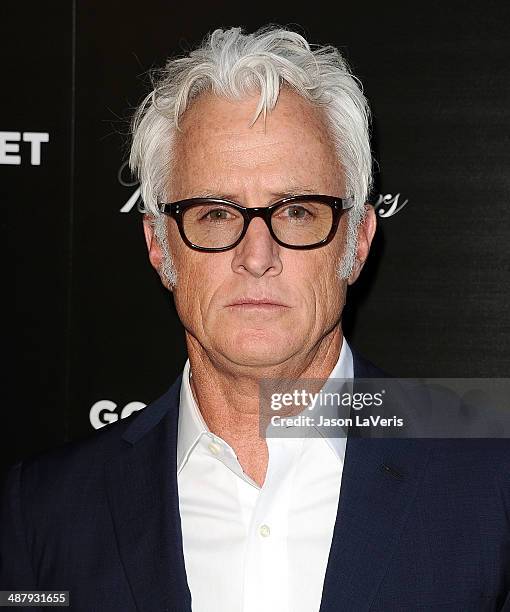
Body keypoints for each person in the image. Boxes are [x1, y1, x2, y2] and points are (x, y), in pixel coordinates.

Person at [1, 26, 510, 612]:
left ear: (359, 240)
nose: (257, 256)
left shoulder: (490, 483)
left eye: (297, 212)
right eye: (216, 215)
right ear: (160, 246)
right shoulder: (43, 510)